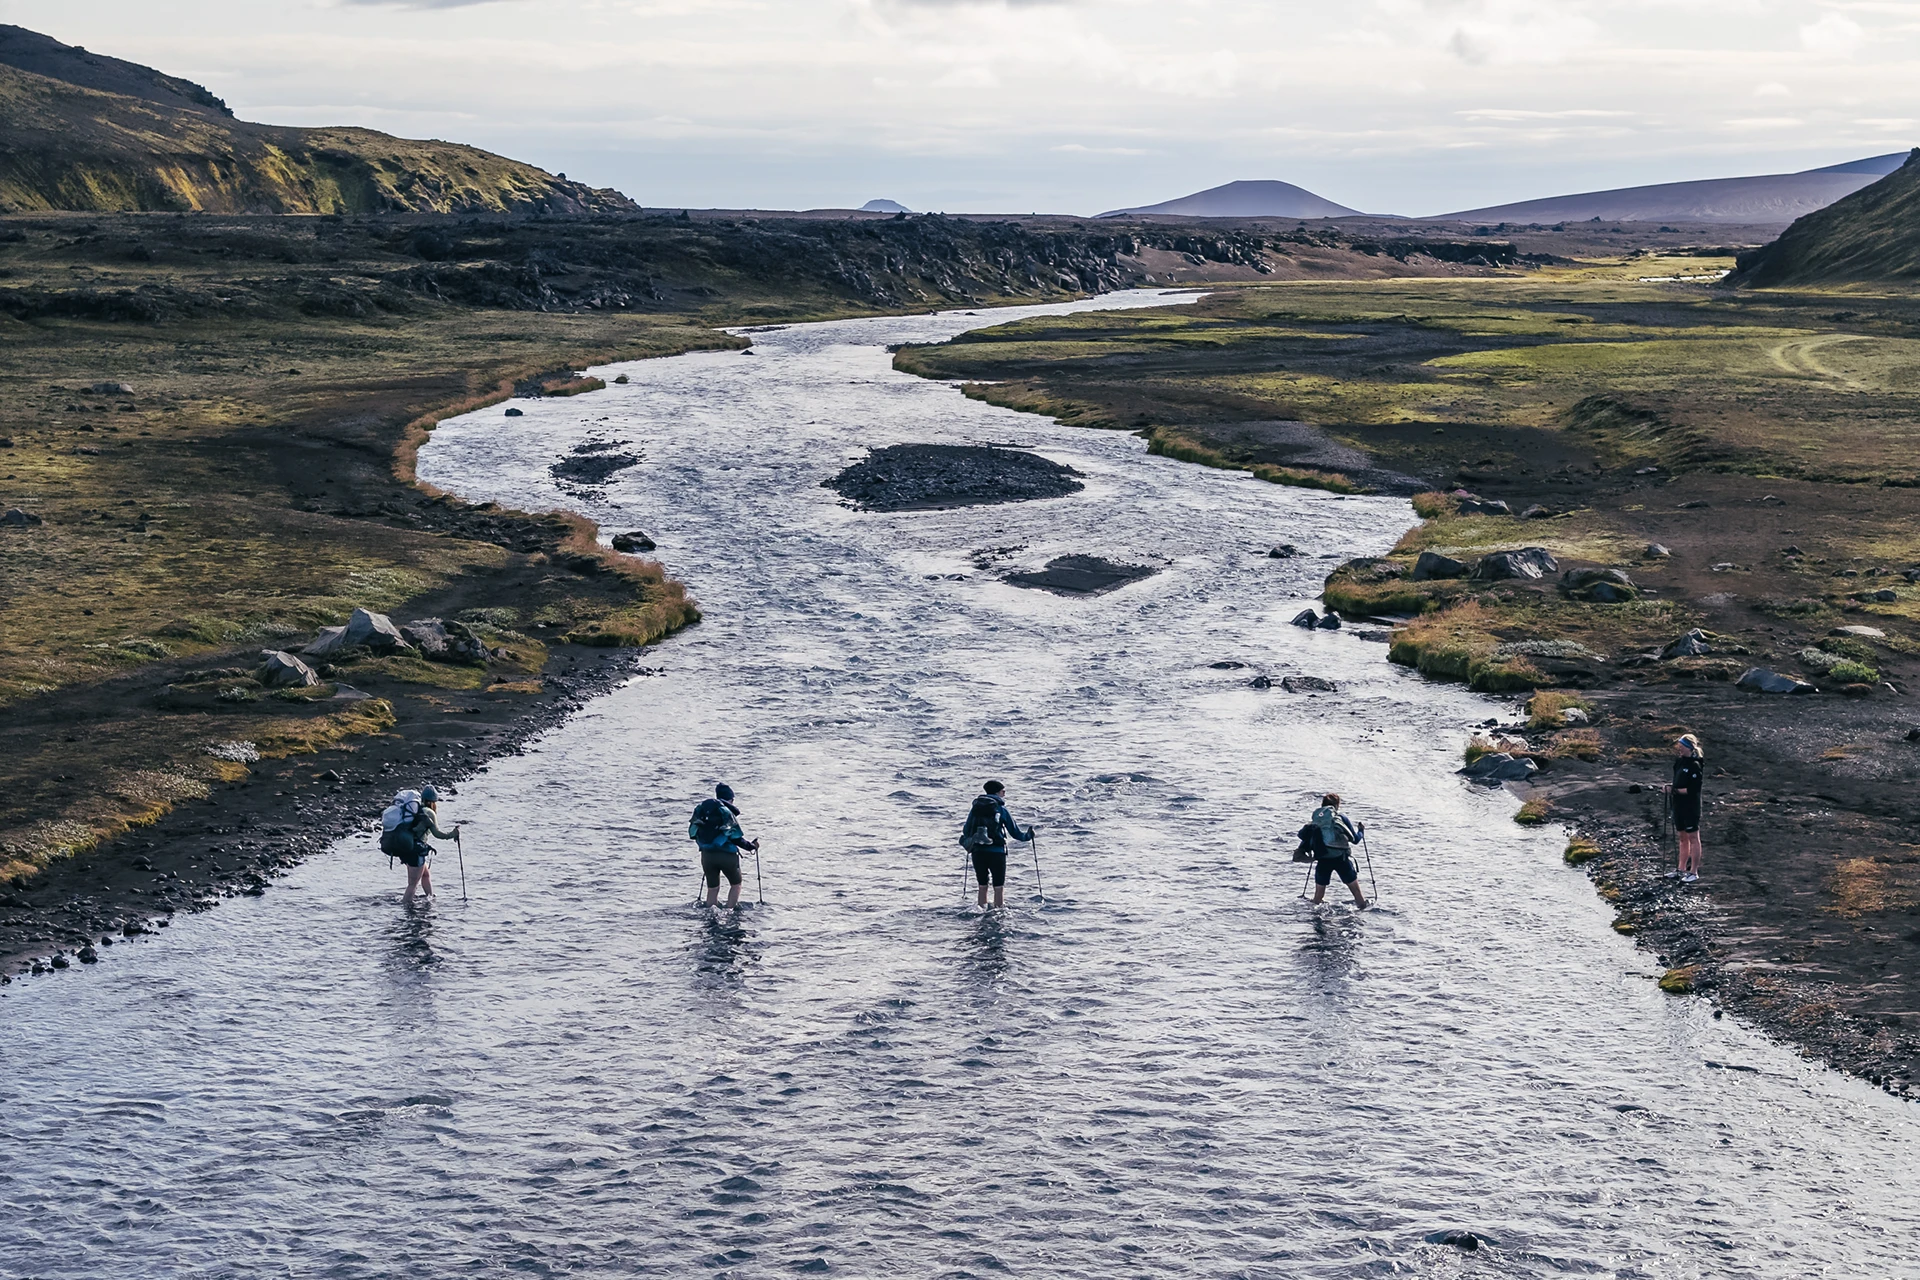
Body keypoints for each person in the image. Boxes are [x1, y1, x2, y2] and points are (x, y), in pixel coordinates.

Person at [958, 780, 1034, 910]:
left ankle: (981, 910)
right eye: (1003, 791)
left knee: (982, 885)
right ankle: (999, 912)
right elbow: (1015, 832)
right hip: (997, 851)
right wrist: (1028, 836)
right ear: (998, 792)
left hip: (978, 851)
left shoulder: (975, 809)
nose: (1004, 794)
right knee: (998, 886)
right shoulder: (1001, 809)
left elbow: (966, 830)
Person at [380, 785, 460, 904]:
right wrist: (453, 834)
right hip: (416, 852)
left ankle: (430, 898)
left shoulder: (415, 810)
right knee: (413, 884)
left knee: (425, 874)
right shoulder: (429, 813)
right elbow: (438, 834)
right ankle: (406, 906)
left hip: (407, 848)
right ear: (433, 802)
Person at [689, 783, 759, 909]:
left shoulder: (706, 812)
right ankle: (729, 911)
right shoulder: (726, 813)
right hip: (727, 856)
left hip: (707, 856)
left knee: (712, 888)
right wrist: (751, 846)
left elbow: (695, 833)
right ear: (730, 799)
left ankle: (711, 913)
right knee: (736, 884)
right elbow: (735, 837)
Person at [1307, 793, 1369, 909]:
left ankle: (1315, 921)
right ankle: (1363, 918)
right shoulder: (1341, 818)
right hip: (1341, 859)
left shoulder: (1317, 820)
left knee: (1318, 898)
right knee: (1357, 894)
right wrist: (1361, 831)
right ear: (1337, 805)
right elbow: (1355, 840)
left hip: (1323, 860)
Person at [1669, 735, 1706, 883]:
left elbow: (1694, 789)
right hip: (1678, 805)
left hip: (1691, 806)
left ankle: (1694, 872)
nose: (1679, 748)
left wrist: (1674, 790)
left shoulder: (1695, 765)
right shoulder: (1679, 762)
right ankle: (1681, 869)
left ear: (1689, 747)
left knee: (1693, 838)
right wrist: (1671, 789)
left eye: (1682, 745)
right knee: (1682, 838)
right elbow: (1677, 783)